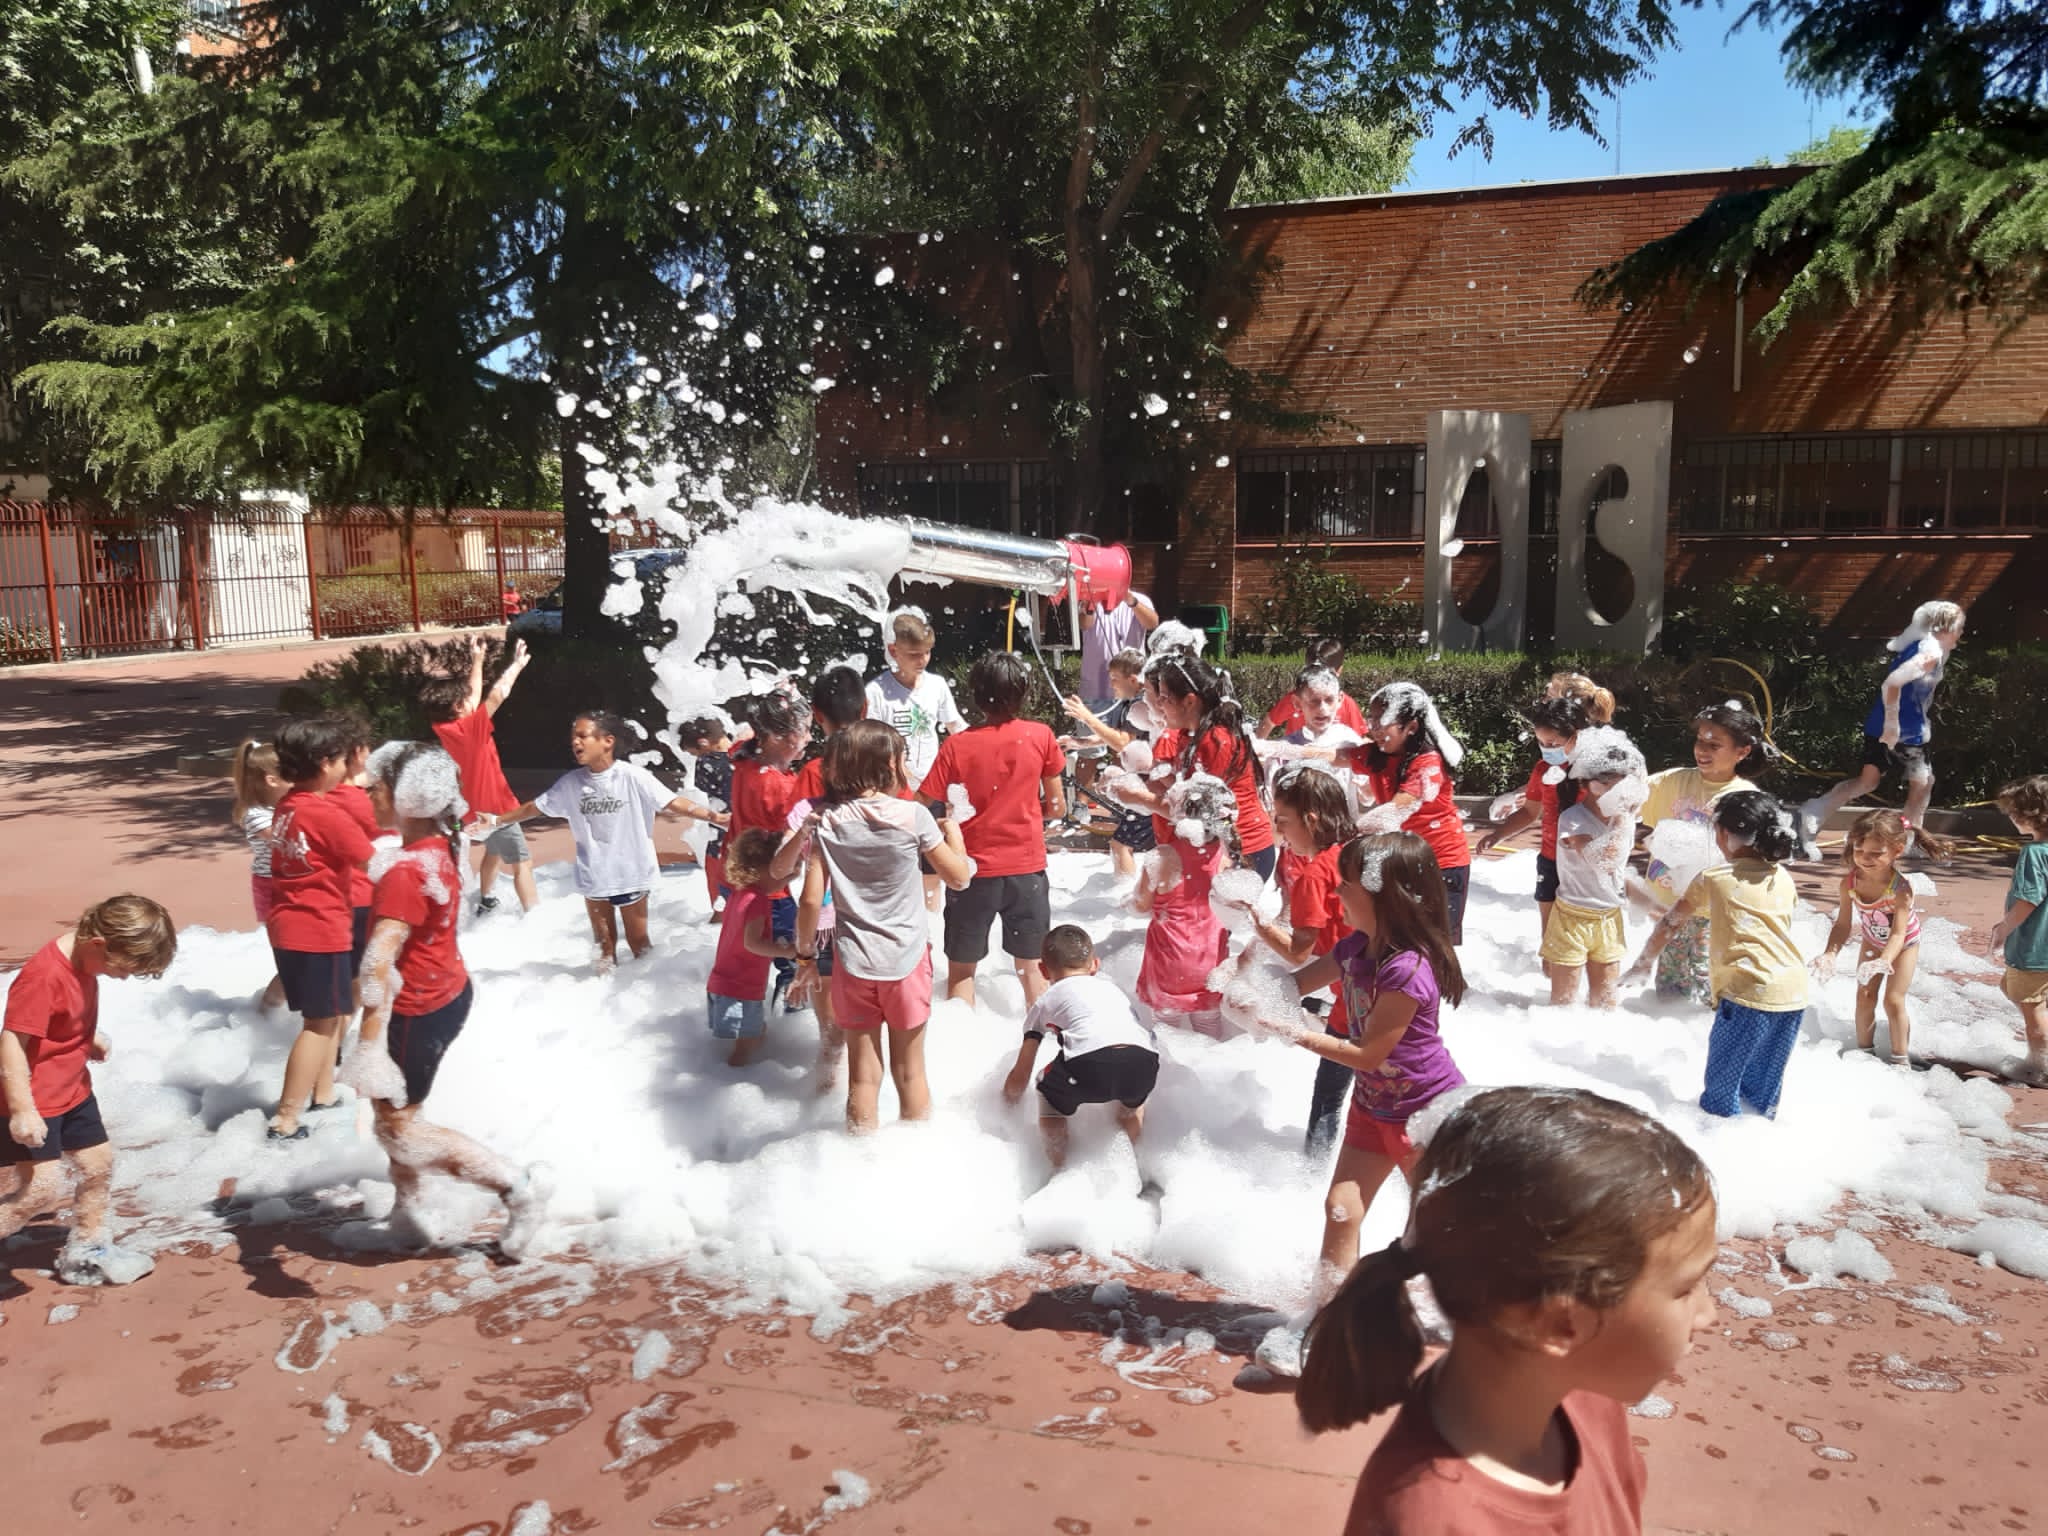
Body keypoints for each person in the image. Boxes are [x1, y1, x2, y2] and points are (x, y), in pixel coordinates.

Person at [1296, 1086, 1718, 1535]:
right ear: (1561, 1324)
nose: (1709, 1315)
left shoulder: (1585, 1399)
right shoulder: (1431, 1521)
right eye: (1687, 1288)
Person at [340, 742, 549, 1257]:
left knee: (399, 1128)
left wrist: (368, 1048)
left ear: (408, 797)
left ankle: (517, 1189)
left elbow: (378, 965)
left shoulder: (406, 872)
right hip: (445, 991)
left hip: (417, 1008)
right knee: (394, 1118)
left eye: (377, 786)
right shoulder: (440, 845)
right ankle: (407, 1216)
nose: (368, 792)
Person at [1262, 832, 1467, 1300]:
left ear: (1385, 896)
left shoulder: (1407, 970)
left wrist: (1291, 1031)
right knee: (1341, 1208)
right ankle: (1329, 1312)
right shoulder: (1356, 947)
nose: (1336, 893)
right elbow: (1293, 986)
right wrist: (1246, 987)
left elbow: (1367, 1054)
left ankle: (1473, 1319)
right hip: (1373, 1106)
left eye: (1346, 885)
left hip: (1423, 1112)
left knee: (1440, 1228)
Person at [799, 721, 974, 1131]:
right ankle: (911, 1157)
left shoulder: (827, 821)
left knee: (862, 1076)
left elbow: (809, 900)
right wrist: (955, 833)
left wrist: (805, 955)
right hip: (905, 961)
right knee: (910, 1072)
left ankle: (862, 1153)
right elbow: (959, 878)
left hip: (852, 963)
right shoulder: (914, 816)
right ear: (891, 764)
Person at [1, 895, 177, 1285]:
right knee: (39, 1191)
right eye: (122, 968)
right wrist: (22, 1108)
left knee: (98, 1167)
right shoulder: (44, 975)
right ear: (98, 943)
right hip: (36, 1099)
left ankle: (89, 1247)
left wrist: (85, 1037)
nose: (123, 977)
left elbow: (60, 1018)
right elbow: (11, 1040)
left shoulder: (85, 960)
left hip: (74, 1090)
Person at [1633, 790, 1808, 1118]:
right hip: (1793, 993)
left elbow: (1670, 923)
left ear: (1725, 834)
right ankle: (1758, 1138)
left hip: (1748, 992)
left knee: (1722, 1093)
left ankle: (1717, 1139)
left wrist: (1643, 963)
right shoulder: (1783, 877)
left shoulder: (1713, 878)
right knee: (1763, 1091)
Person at [482, 711, 696, 972]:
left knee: (639, 944)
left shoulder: (632, 776)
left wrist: (712, 816)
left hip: (631, 872)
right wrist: (496, 821)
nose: (575, 742)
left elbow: (673, 802)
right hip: (594, 874)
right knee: (603, 948)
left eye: (583, 736)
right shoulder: (571, 783)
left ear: (607, 741)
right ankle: (603, 990)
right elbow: (534, 808)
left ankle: (647, 988)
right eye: (574, 737)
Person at [919, 652, 1066, 1009]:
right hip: (1027, 870)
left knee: (962, 971)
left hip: (970, 872)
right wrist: (1027, 813)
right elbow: (1058, 807)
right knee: (1032, 969)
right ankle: (1040, 1038)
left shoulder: (956, 745)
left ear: (976, 695)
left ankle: (964, 1036)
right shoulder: (1040, 736)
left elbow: (920, 804)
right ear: (1024, 693)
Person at [266, 715, 377, 1140]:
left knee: (329, 1016)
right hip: (318, 927)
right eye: (341, 759)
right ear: (326, 762)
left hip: (289, 924)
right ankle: (285, 1119)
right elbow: (369, 859)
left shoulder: (288, 805)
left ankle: (324, 1093)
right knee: (319, 1023)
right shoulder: (325, 814)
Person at [1244, 762, 1361, 1157]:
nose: (1279, 832)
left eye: (1283, 821)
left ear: (1311, 819)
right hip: (1388, 984)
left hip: (1354, 998)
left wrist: (1257, 922)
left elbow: (1299, 951)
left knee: (1329, 1095)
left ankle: (1314, 1170)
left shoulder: (1314, 876)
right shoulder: (1355, 853)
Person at [1798, 600, 1967, 860]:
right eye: (1959, 627)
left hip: (1887, 725)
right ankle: (1911, 840)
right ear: (1945, 628)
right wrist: (1892, 724)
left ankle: (1815, 811)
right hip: (1904, 729)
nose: (1961, 633)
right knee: (1922, 783)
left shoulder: (1921, 646)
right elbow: (1893, 683)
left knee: (1869, 782)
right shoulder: (1929, 653)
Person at [1636, 702, 1767, 1009]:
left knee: (1707, 987)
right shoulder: (1674, 781)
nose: (1702, 750)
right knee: (1669, 986)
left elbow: (1753, 861)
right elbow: (1627, 796)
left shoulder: (1745, 797)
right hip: (1670, 904)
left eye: (1714, 745)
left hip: (1714, 911)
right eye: (1699, 741)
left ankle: (1705, 1032)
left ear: (1742, 752)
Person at [1002, 925, 1160, 1169]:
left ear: (1043, 970)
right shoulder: (1113, 990)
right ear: (1095, 965)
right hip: (1144, 1063)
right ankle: (1132, 1162)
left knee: (1046, 1088)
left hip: (1088, 1066)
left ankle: (1059, 1165)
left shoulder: (1045, 1002)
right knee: (1132, 1104)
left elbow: (1022, 1073)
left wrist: (1005, 1104)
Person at [1120, 646, 1277, 880]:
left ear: (1189, 701)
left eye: (1165, 697)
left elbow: (1200, 813)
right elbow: (1185, 792)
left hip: (1245, 851)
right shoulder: (1188, 735)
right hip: (1223, 848)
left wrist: (1140, 798)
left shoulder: (1217, 740)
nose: (1159, 704)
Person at [1814, 809, 1952, 1065]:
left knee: (1893, 1000)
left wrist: (1885, 960)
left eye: (1875, 853)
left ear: (1897, 850)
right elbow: (1842, 924)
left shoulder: (1900, 888)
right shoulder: (1850, 883)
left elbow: (1899, 933)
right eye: (1859, 850)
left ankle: (1900, 1060)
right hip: (1873, 941)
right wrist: (1830, 953)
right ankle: (1864, 1055)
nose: (1865, 858)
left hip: (1904, 946)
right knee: (1864, 996)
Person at [1339, 683, 1471, 943]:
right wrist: (1276, 750)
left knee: (1435, 945)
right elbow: (1332, 755)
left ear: (1411, 727)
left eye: (1382, 721)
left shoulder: (1428, 763)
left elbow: (1395, 809)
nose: (1373, 728)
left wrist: (1343, 834)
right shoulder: (1380, 754)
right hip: (1405, 860)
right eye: (1371, 719)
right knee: (1402, 941)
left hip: (1442, 865)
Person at [424, 634, 538, 917]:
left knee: (494, 851)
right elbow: (496, 696)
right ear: (458, 708)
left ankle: (486, 900)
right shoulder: (470, 730)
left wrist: (478, 659)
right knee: (522, 863)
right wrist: (517, 666)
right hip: (497, 809)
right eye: (464, 700)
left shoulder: (444, 727)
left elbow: (474, 697)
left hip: (472, 812)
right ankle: (534, 918)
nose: (470, 700)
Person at [1473, 691, 1595, 953]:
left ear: (1576, 736)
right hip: (1550, 859)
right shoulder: (1543, 770)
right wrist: (1498, 834)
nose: (1547, 749)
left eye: (1552, 743)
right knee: (1550, 933)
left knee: (1583, 933)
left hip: (1586, 864)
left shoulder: (1594, 772)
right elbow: (1529, 812)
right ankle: (1550, 970)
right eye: (1541, 743)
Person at [1541, 727, 1648, 1010]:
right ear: (1588, 784)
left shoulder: (1623, 820)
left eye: (1624, 784)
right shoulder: (1573, 819)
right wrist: (1623, 819)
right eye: (1611, 784)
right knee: (1562, 1005)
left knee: (1606, 1006)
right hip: (1572, 918)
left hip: (1609, 917)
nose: (1620, 792)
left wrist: (1653, 905)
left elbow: (1617, 874)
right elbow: (1601, 860)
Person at [1134, 774, 1239, 1033]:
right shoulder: (1226, 856)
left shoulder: (1162, 856)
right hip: (1210, 961)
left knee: (1165, 1029)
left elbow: (1141, 905)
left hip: (1169, 962)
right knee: (1208, 1026)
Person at [705, 829, 797, 1067]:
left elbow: (768, 887)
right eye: (781, 868)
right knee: (744, 1048)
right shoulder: (758, 902)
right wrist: (787, 951)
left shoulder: (742, 893)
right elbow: (752, 943)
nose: (785, 871)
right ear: (765, 869)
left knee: (756, 1033)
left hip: (724, 983)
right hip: (740, 989)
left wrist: (789, 877)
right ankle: (733, 1078)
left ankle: (725, 1076)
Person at [1062, 648, 1155, 879]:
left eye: (1115, 679)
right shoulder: (1132, 702)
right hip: (1149, 787)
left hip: (1153, 788)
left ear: (1132, 680)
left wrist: (1087, 717)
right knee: (1152, 846)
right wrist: (1081, 743)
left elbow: (1123, 742)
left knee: (1120, 845)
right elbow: (1119, 735)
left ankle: (1125, 894)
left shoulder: (1141, 705)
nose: (1111, 684)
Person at [1988, 775, 2048, 1085]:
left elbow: (2029, 900)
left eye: (2013, 811)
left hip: (2035, 947)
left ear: (2028, 815)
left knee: (2031, 1007)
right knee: (2010, 987)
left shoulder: (2034, 853)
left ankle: (2042, 1067)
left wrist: (2003, 928)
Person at [230, 737, 288, 1010]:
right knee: (290, 963)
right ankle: (265, 1012)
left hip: (290, 885)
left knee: (299, 958)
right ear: (272, 780)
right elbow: (286, 841)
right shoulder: (256, 815)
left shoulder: (283, 807)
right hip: (273, 889)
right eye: (292, 772)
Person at [680, 716, 737, 922]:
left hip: (720, 828)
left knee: (719, 888)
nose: (695, 756)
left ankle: (718, 918)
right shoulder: (745, 755)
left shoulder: (706, 762)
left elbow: (703, 797)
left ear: (703, 743)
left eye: (693, 752)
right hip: (749, 827)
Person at [1262, 639, 1368, 739]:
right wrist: (1256, 749)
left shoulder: (1347, 703)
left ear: (1339, 700)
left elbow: (1358, 738)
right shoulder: (1296, 699)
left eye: (1329, 700)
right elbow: (1269, 722)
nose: (1321, 708)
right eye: (1313, 701)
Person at [1079, 588, 1159, 708]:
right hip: (1095, 687)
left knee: (1133, 719)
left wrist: (1131, 601)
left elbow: (1152, 623)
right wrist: (1090, 606)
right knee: (1091, 719)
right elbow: (1084, 624)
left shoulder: (1140, 599)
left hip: (1131, 688)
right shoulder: (1089, 597)